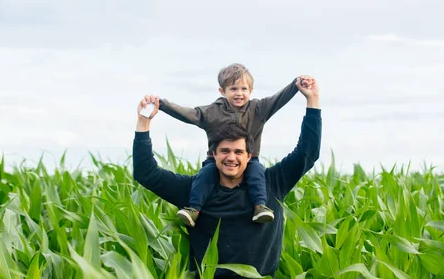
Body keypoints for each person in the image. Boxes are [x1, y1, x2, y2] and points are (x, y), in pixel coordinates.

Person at [133, 76, 321, 277]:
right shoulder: (195, 190)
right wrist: (143, 121)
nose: (231, 157)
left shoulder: (271, 184)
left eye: (238, 152)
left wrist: (313, 101)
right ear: (214, 154)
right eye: (225, 151)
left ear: (250, 156)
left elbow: (306, 153)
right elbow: (146, 173)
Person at [157, 63, 310, 227]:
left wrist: (296, 84)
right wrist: (162, 104)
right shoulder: (212, 112)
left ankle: (259, 207)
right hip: (216, 160)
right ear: (222, 91)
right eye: (234, 89)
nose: (239, 94)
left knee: (257, 174)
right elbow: (188, 114)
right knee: (205, 176)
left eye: (244, 89)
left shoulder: (258, 109)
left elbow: (278, 99)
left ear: (250, 91)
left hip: (250, 159)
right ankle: (193, 209)